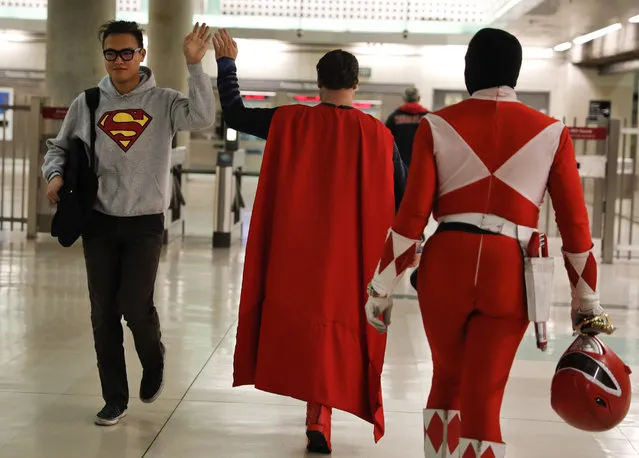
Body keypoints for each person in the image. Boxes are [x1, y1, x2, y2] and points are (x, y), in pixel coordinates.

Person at [364, 28, 613, 458]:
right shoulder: (552, 132)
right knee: (485, 394)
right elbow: (575, 226)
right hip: (509, 270)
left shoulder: (437, 125)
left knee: (445, 378)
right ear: (515, 73)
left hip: (446, 263)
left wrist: (381, 286)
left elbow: (410, 219)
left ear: (469, 69)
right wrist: (587, 300)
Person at [212, 29, 407, 453]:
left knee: (300, 326)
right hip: (351, 256)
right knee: (341, 330)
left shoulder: (288, 120)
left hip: (295, 253)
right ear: (356, 85)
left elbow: (235, 113)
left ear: (318, 84)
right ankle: (322, 411)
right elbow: (403, 195)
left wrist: (227, 65)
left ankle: (317, 410)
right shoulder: (379, 137)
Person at [42, 20, 215, 426]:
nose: (118, 61)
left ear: (142, 54)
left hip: (144, 223)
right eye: (111, 53)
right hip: (99, 221)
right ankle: (114, 398)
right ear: (104, 56)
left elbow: (204, 117)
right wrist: (54, 176)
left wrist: (195, 66)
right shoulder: (86, 103)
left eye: (126, 52)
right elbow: (59, 148)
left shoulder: (164, 102)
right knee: (103, 313)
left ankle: (153, 359)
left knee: (135, 306)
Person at [385, 87, 429, 167]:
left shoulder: (395, 116)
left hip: (400, 163)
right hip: (422, 163)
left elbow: (386, 139)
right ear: (418, 98)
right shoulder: (428, 117)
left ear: (404, 99)